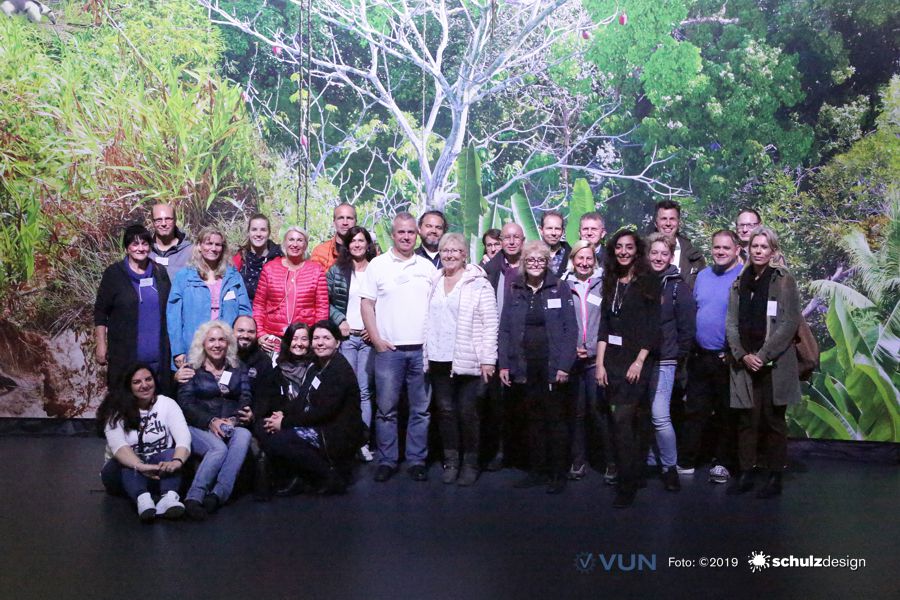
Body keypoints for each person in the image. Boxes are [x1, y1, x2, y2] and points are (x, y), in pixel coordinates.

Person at [360, 212, 437, 482]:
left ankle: (417, 459)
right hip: (389, 352)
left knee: (421, 410)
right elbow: (366, 305)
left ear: (416, 235)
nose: (406, 237)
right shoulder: (378, 265)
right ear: (392, 235)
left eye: (410, 233)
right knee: (386, 410)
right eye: (401, 232)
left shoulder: (427, 267)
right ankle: (387, 460)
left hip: (421, 352)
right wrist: (378, 340)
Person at [726, 227, 801, 498]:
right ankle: (746, 472)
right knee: (747, 419)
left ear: (773, 250)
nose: (758, 251)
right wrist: (742, 354)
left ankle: (774, 475)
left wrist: (763, 355)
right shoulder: (739, 280)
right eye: (755, 246)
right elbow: (731, 322)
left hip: (774, 364)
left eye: (764, 247)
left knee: (773, 420)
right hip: (744, 362)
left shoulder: (782, 279)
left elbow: (789, 322)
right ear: (748, 249)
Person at [499, 240, 578, 494]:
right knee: (532, 420)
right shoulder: (515, 289)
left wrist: (564, 366)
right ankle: (537, 470)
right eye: (530, 260)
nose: (535, 264)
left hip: (552, 366)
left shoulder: (560, 288)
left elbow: (570, 330)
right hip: (524, 367)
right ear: (524, 263)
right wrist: (504, 364)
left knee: (555, 420)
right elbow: (505, 329)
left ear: (547, 263)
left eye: (540, 260)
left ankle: (557, 473)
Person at [423, 233, 498, 486]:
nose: (450, 254)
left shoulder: (478, 283)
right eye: (445, 250)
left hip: (469, 361)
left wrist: (488, 360)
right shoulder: (434, 280)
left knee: (468, 413)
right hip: (438, 358)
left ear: (465, 254)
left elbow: (490, 324)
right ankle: (451, 461)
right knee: (445, 412)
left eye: (456, 250)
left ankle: (470, 463)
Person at [596, 230, 660, 508]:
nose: (623, 252)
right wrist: (599, 364)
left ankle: (627, 483)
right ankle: (632, 473)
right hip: (612, 360)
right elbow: (604, 327)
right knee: (621, 422)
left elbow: (653, 327)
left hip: (637, 363)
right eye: (619, 247)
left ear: (637, 251)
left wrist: (639, 360)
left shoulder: (648, 281)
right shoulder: (610, 281)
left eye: (629, 247)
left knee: (624, 420)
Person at [260, 321, 363, 495]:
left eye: (326, 338)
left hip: (334, 432)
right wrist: (282, 414)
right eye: (316, 338)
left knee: (278, 440)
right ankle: (301, 477)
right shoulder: (316, 366)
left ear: (337, 342)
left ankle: (329, 476)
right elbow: (302, 400)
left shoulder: (339, 370)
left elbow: (322, 413)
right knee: (266, 429)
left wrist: (284, 423)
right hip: (317, 424)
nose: (320, 343)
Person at [681, 230, 743, 482]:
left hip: (726, 358)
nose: (720, 252)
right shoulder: (704, 276)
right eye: (716, 247)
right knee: (695, 410)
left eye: (726, 248)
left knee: (727, 414)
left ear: (737, 250)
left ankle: (724, 463)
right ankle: (688, 460)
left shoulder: (744, 277)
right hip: (700, 356)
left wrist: (733, 352)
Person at [177, 321, 253, 520]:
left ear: (228, 343)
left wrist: (233, 420)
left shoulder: (238, 367)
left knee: (244, 434)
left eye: (221, 340)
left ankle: (218, 495)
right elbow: (185, 404)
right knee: (218, 449)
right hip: (197, 426)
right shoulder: (191, 368)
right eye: (211, 340)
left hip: (229, 423)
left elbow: (245, 397)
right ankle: (194, 498)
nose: (217, 344)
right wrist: (210, 421)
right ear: (203, 344)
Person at [98, 364, 190, 522]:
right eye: (137, 382)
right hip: (121, 475)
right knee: (127, 463)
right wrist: (140, 466)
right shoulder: (116, 409)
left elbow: (183, 438)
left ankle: (169, 498)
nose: (145, 385)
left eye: (148, 379)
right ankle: (143, 500)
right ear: (128, 386)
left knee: (171, 453)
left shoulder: (167, 404)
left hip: (158, 471)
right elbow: (119, 447)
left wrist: (177, 461)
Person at [560, 240, 616, 483]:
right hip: (572, 361)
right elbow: (560, 323)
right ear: (572, 261)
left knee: (599, 412)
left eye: (588, 259)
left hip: (597, 360)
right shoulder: (562, 286)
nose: (584, 263)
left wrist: (592, 348)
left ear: (595, 261)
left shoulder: (604, 286)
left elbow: (609, 322)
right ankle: (578, 461)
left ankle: (610, 462)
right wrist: (571, 349)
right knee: (576, 413)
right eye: (579, 258)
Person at [645, 233, 695, 492]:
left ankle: (670, 467)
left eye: (664, 253)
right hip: (640, 361)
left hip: (665, 360)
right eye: (654, 253)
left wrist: (678, 359)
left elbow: (687, 330)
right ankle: (651, 461)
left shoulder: (678, 286)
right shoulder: (638, 282)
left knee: (660, 415)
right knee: (643, 414)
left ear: (671, 255)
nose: (658, 258)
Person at [94, 224, 172, 393]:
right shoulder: (113, 274)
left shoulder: (160, 272)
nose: (140, 248)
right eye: (135, 244)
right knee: (125, 408)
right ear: (127, 247)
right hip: (125, 358)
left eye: (144, 244)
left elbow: (170, 310)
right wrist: (101, 343)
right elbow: (100, 312)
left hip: (158, 358)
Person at [167, 225, 252, 372]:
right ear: (199, 246)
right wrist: (177, 350)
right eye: (208, 243)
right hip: (193, 348)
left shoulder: (233, 276)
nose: (213, 248)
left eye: (218, 244)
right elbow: (173, 317)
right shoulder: (184, 277)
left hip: (225, 349)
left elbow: (245, 312)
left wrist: (238, 343)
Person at [326, 225, 378, 461]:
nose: (357, 244)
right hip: (347, 338)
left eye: (361, 240)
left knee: (365, 391)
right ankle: (346, 441)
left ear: (368, 244)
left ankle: (363, 442)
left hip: (369, 339)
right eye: (353, 241)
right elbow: (324, 301)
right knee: (348, 391)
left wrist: (374, 328)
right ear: (347, 246)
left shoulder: (378, 269)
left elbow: (386, 302)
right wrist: (339, 320)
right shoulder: (337, 271)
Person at [482, 221, 525, 470]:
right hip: (498, 343)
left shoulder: (533, 266)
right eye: (506, 237)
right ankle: (500, 451)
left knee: (524, 402)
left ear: (522, 239)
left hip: (526, 345)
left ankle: (523, 452)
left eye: (515, 237)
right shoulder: (491, 268)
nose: (510, 242)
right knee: (498, 404)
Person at [253, 226, 329, 354]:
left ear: (305, 245)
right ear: (284, 243)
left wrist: (316, 337)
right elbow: (259, 305)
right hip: (273, 338)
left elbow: (322, 308)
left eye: (300, 240)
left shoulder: (316, 270)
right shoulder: (269, 268)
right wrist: (260, 334)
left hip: (303, 340)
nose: (295, 244)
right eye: (291, 240)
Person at [652, 200, 705, 288]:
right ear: (656, 223)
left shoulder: (695, 258)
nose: (668, 223)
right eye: (664, 219)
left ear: (679, 223)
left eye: (672, 219)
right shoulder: (642, 253)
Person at [232, 213, 283, 300]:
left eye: (263, 230)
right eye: (254, 229)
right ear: (248, 232)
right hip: (245, 311)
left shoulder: (280, 257)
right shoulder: (240, 258)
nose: (258, 234)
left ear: (269, 232)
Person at [149, 203, 193, 280]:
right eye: (158, 220)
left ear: (175, 220)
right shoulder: (145, 252)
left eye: (168, 219)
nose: (163, 224)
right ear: (152, 222)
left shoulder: (191, 251)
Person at [310, 203, 357, 271]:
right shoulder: (320, 252)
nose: (345, 222)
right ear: (334, 223)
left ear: (356, 222)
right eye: (340, 218)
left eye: (349, 218)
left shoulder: (367, 250)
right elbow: (314, 279)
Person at [539, 210, 571, 278]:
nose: (553, 233)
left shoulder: (572, 254)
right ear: (541, 230)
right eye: (549, 228)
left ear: (563, 231)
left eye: (557, 229)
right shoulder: (531, 254)